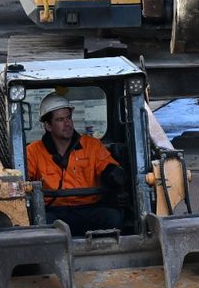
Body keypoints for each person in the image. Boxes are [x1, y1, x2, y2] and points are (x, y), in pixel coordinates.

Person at [24, 92, 127, 235]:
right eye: (60, 120)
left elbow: (107, 166)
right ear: (48, 125)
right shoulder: (33, 152)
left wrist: (114, 174)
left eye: (68, 118)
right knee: (41, 223)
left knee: (113, 218)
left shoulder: (92, 146)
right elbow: (23, 181)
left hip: (90, 209)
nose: (67, 124)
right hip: (54, 213)